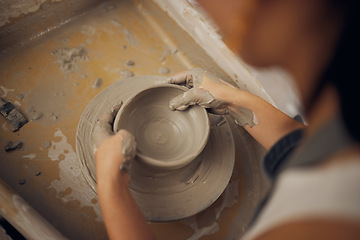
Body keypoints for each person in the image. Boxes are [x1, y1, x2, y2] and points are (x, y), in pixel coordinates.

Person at [93, 0, 360, 239]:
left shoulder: (323, 228)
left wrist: (111, 184)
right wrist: (236, 102)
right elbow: (317, 151)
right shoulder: (343, 116)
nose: (201, 6)